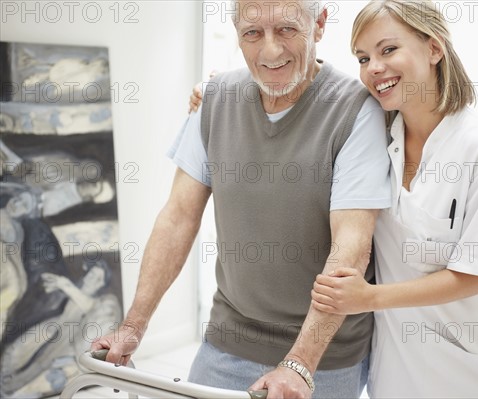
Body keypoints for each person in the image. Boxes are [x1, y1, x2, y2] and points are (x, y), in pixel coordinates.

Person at [92, 1, 391, 398]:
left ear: (318, 25)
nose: (270, 51)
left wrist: (299, 364)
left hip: (323, 356)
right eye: (253, 33)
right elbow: (178, 217)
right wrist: (133, 326)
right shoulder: (216, 99)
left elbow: (350, 252)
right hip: (226, 342)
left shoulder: (357, 111)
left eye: (286, 30)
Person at [308, 1, 478, 397]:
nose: (373, 67)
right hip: (397, 379)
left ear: (434, 49)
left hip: (476, 379)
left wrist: (368, 297)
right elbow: (315, 98)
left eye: (388, 50)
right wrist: (217, 90)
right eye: (362, 58)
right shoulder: (375, 134)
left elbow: (475, 274)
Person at [0, 259, 121, 398]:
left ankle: (11, 388)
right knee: (17, 351)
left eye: (97, 278)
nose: (91, 279)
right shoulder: (74, 290)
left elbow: (93, 308)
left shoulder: (105, 302)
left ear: (101, 284)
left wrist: (66, 286)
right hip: (53, 329)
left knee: (39, 366)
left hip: (66, 341)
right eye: (91, 274)